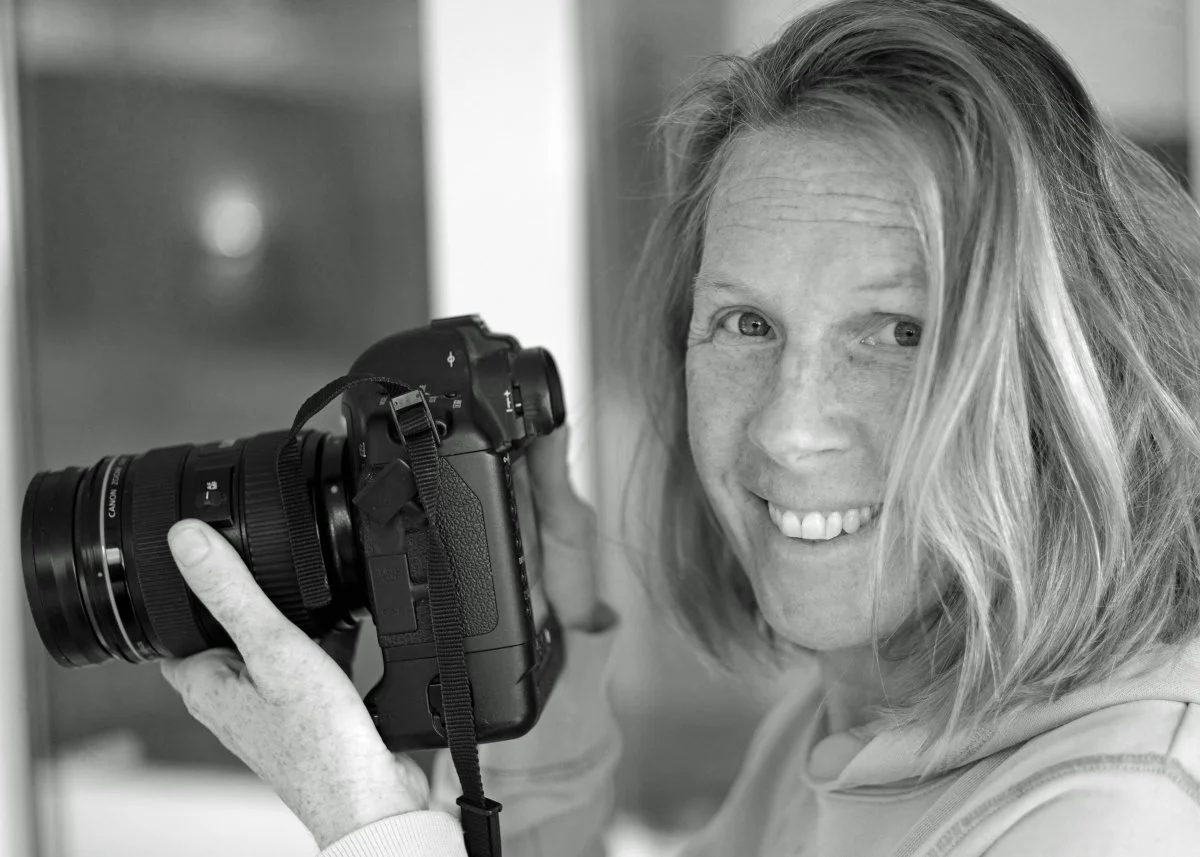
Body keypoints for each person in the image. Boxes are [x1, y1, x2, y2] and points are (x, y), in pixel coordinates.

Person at [158, 0, 1200, 854]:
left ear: (1074, 369)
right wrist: (532, 666)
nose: (789, 430)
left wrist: (371, 826)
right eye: (746, 323)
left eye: (899, 332)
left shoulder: (1114, 817)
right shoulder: (872, 702)